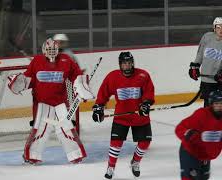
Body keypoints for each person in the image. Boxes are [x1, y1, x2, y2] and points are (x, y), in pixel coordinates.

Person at [8, 38, 94, 164]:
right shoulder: (37, 61)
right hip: (42, 103)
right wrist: (19, 83)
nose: (52, 52)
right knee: (40, 129)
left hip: (61, 102)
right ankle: (31, 156)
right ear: (44, 50)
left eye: (54, 49)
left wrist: (81, 88)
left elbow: (76, 75)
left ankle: (75, 155)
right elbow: (28, 79)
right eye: (49, 50)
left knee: (66, 128)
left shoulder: (66, 60)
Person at [92, 51, 155, 179]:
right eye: (124, 63)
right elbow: (103, 93)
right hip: (121, 117)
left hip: (140, 116)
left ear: (133, 63)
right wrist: (99, 107)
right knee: (116, 144)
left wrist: (146, 104)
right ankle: (111, 167)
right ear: (120, 64)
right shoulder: (112, 77)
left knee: (145, 143)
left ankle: (135, 162)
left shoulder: (143, 75)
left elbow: (149, 92)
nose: (127, 65)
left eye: (129, 63)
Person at [175, 89, 222, 180]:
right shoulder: (201, 115)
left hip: (206, 155)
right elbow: (180, 128)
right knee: (190, 178)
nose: (219, 106)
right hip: (190, 152)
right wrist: (188, 134)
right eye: (216, 104)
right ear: (211, 104)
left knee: (203, 178)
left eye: (221, 103)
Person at [189, 17, 222, 107]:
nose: (221, 30)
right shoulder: (207, 37)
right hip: (206, 80)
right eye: (218, 27)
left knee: (219, 108)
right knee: (208, 107)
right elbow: (200, 53)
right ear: (214, 28)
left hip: (220, 82)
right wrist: (195, 66)